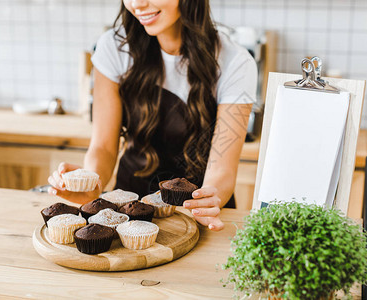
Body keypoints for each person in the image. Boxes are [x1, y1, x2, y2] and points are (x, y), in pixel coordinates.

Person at [48, 0, 257, 231]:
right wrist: (92, 181)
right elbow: (103, 147)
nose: (137, 4)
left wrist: (209, 199)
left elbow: (222, 168)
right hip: (127, 214)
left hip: (199, 216)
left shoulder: (235, 63)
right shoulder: (114, 47)